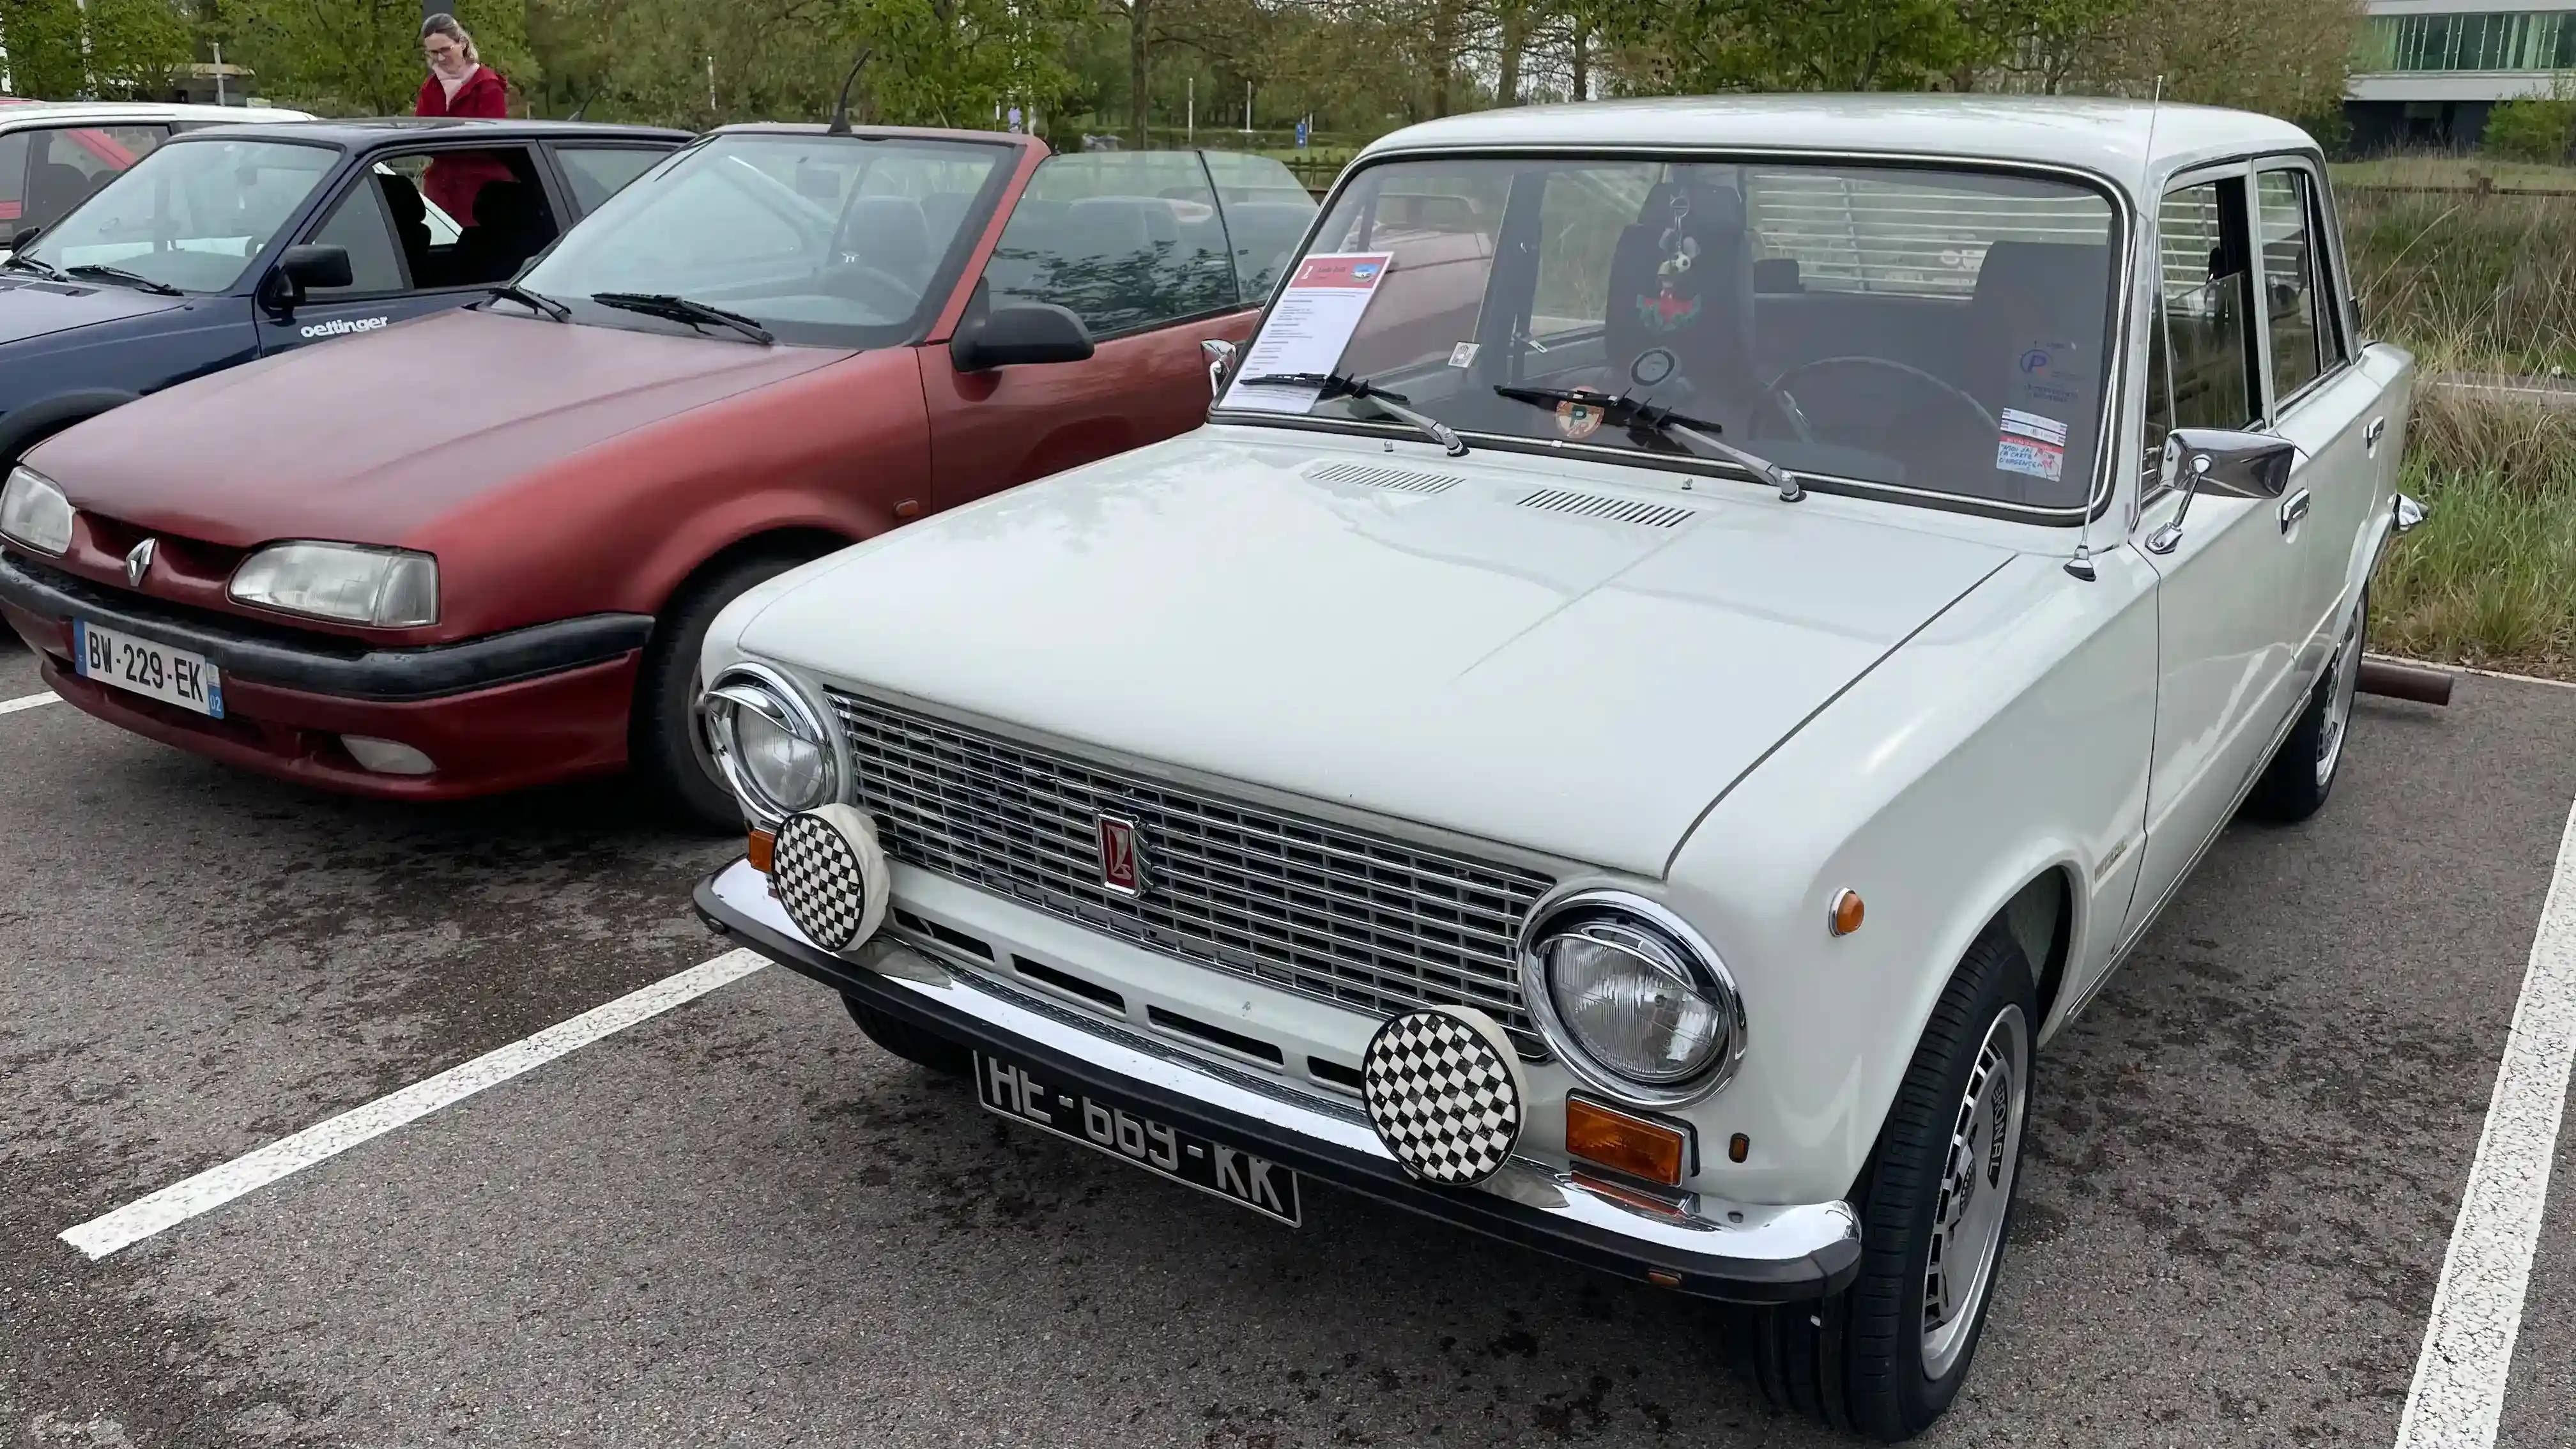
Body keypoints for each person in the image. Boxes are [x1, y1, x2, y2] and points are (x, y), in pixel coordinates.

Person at [414, 13, 512, 222]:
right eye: (433, 52)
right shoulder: (431, 87)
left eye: (445, 50)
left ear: (462, 44)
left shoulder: (487, 86)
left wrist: (443, 144)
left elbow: (493, 142)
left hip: (481, 195)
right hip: (441, 193)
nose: (439, 58)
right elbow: (418, 133)